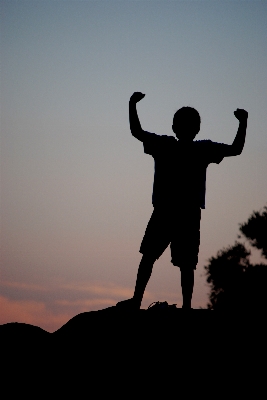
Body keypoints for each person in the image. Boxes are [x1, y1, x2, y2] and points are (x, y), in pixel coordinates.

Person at [116, 92, 248, 310]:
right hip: (181, 212)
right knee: (180, 263)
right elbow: (236, 149)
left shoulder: (171, 146)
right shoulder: (196, 148)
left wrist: (132, 104)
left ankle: (140, 300)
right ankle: (177, 305)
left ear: (175, 127)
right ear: (195, 128)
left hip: (172, 211)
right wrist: (243, 123)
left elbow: (136, 132)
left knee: (162, 259)